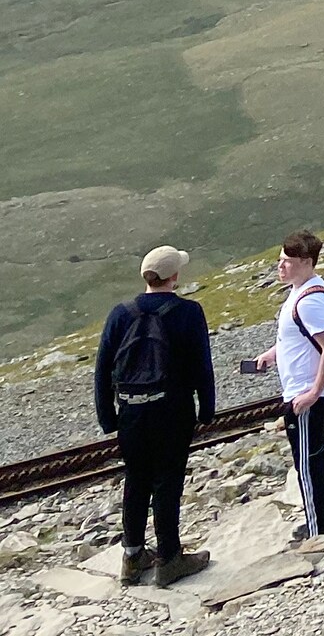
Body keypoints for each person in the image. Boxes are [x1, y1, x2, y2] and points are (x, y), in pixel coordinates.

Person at [94, 245, 215, 589]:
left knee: (136, 480)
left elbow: (102, 368)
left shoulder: (120, 313)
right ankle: (169, 558)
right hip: (172, 410)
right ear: (174, 276)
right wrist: (206, 410)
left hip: (131, 411)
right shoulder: (188, 312)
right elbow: (202, 365)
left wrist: (108, 417)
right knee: (167, 481)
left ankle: (132, 556)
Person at [256, 230, 324, 540]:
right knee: (321, 452)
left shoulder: (309, 301)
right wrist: (272, 354)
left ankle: (317, 527)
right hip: (313, 390)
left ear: (307, 262)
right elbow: (298, 335)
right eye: (280, 260)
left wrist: (313, 393)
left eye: (287, 261)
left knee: (307, 463)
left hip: (307, 394)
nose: (280, 266)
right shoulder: (303, 291)